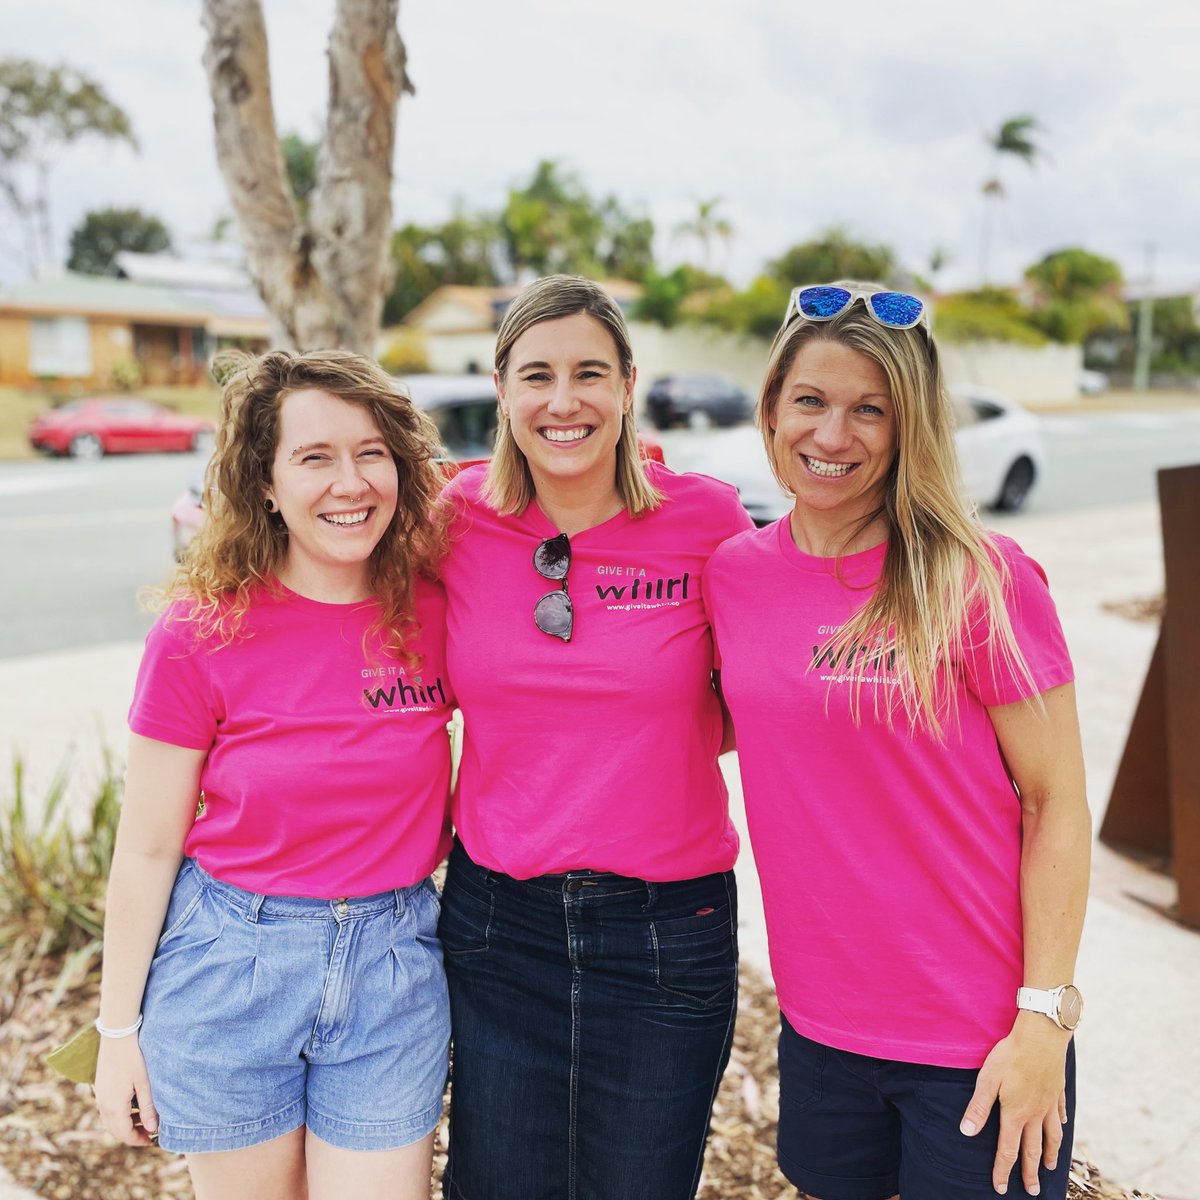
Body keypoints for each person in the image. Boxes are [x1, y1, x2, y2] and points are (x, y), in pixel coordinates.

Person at [704, 283, 1091, 1200]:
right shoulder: (734, 576)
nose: (833, 436)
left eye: (868, 409)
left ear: (908, 424)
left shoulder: (981, 576)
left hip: (978, 1040)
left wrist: (1044, 1021)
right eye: (811, 401)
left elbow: (1057, 804)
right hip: (821, 1029)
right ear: (771, 410)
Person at [93, 350, 456, 1200]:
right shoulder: (198, 633)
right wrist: (117, 1035)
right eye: (314, 457)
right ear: (264, 482)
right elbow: (146, 850)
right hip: (231, 968)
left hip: (392, 966)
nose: (351, 482)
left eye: (372, 453)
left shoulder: (437, 608)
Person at [436, 274, 754, 1200]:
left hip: (668, 931)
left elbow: (757, 695)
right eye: (536, 375)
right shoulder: (451, 520)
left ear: (628, 386)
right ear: (502, 391)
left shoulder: (707, 520)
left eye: (589, 374)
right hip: (500, 925)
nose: (562, 401)